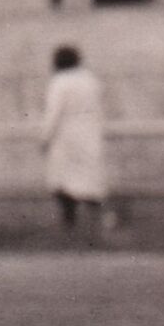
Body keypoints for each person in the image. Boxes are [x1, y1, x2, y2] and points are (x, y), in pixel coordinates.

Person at [42, 46, 114, 236]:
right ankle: (101, 218)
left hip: (66, 137)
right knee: (90, 180)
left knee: (63, 181)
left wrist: (45, 138)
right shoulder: (90, 80)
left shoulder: (59, 82)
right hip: (89, 134)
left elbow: (53, 113)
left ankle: (69, 220)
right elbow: (100, 108)